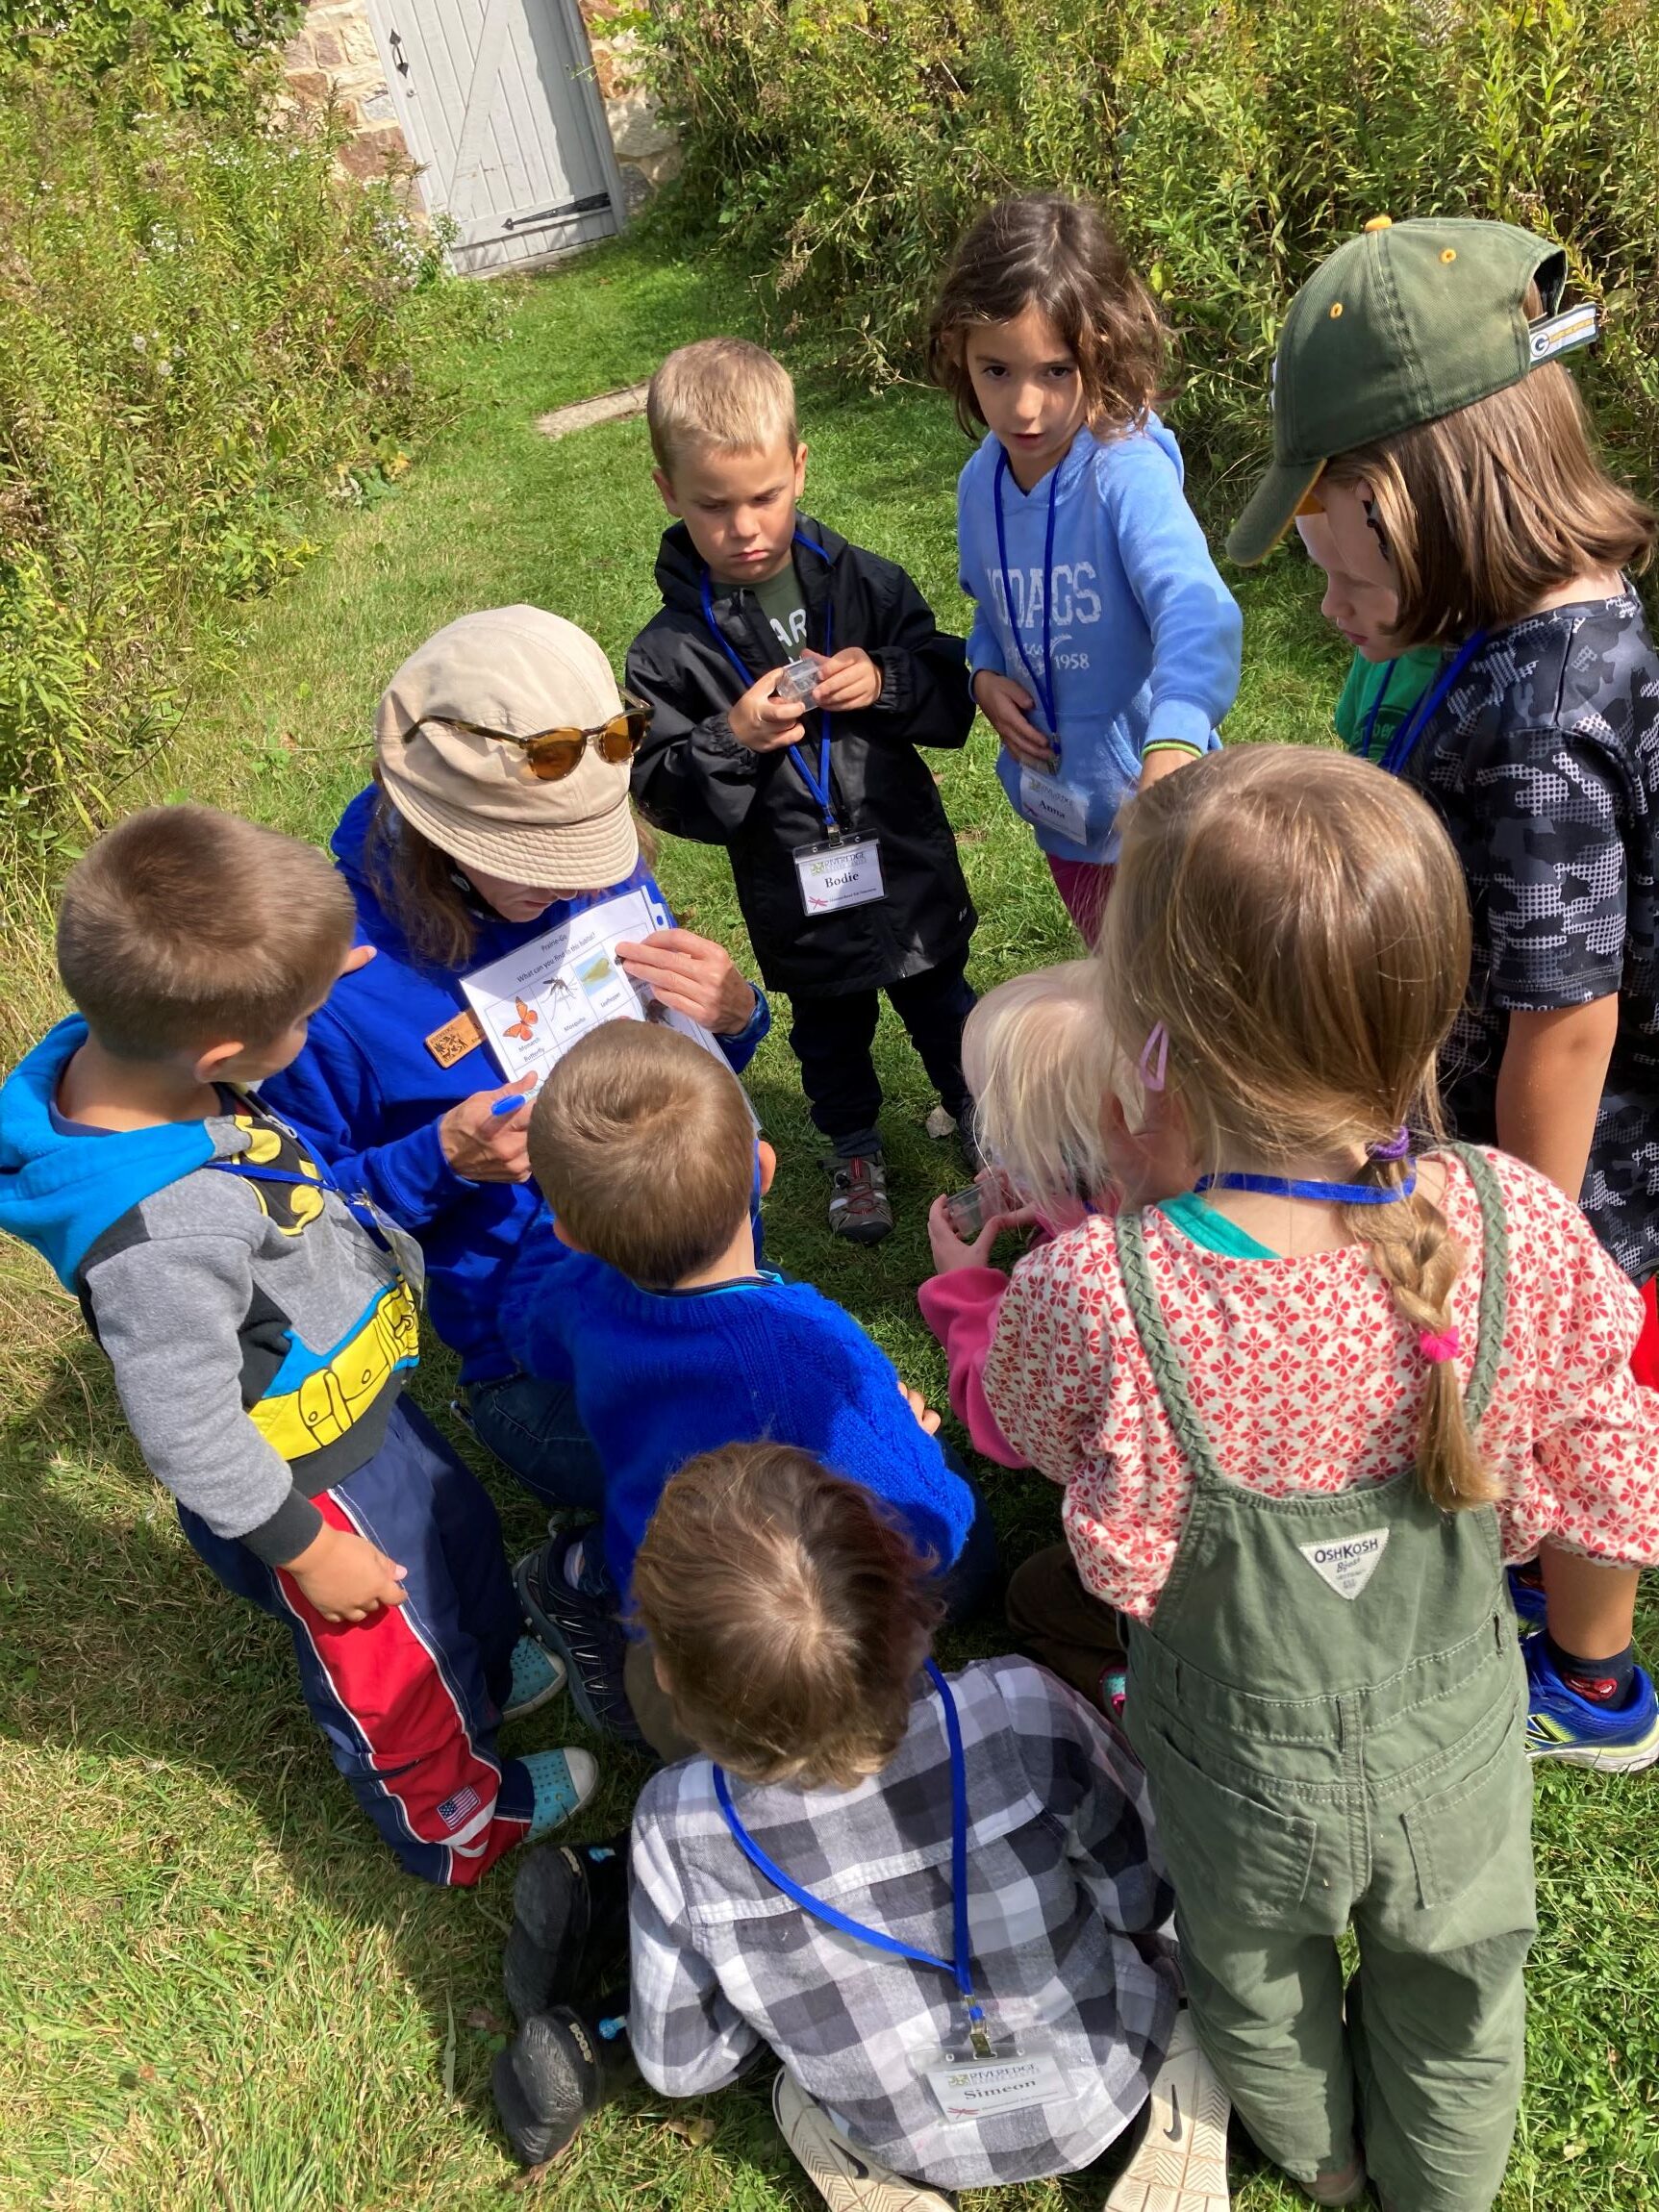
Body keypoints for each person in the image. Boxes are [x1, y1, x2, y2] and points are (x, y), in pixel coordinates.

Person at [942, 745, 1659, 2211]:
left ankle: (1322, 2170)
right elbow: (1604, 1462)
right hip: (1458, 1738)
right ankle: (1438, 2192)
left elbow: (1014, 1428)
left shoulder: (1100, 1286)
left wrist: (978, 1291)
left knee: (1253, 1975)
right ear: (1432, 1005)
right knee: (1463, 1990)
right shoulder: (1517, 1219)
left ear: (1147, 1032)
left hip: (1225, 1760)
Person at [1228, 213, 1659, 1766]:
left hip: (1597, 1188)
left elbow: (1570, 1014)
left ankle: (1591, 1678)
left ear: (1401, 501)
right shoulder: (1540, 630)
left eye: (1332, 556)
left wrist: (1519, 1260)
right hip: (1555, 1159)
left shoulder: (1544, 713)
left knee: (1596, 1414)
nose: (1327, 595)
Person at [0, 807, 597, 1883]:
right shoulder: (162, 1231)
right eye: (315, 1011)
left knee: (454, 1530)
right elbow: (184, 1427)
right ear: (224, 1052)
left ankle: (489, 1665)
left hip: (358, 1395)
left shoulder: (156, 1065)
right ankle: (455, 1814)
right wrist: (305, 1546)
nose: (324, 1021)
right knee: (387, 1649)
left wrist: (304, 972)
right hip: (306, 1478)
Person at [494, 1443, 1230, 2212]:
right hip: (1110, 2071)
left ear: (669, 1679)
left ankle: (860, 2160)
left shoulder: (676, 1828)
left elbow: (685, 2067)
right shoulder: (1018, 1708)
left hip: (905, 2134)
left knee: (796, 2091)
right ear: (907, 1600)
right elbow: (1144, 1894)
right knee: (1179, 1926)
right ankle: (1185, 2065)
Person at [262, 606, 768, 1510]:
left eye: (592, 849)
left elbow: (687, 1065)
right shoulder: (333, 982)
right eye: (539, 863)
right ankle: (575, 1582)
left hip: (700, 1264)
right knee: (738, 1517)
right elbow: (295, 1220)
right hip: (536, 1355)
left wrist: (733, 1017)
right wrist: (437, 1162)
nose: (581, 882)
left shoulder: (589, 845)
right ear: (439, 841)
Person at [500, 1022, 998, 1750]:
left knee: (678, 1716)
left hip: (668, 1592)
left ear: (568, 1232)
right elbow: (934, 1529)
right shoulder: (810, 1343)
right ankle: (578, 1585)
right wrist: (907, 1435)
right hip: (787, 1604)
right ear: (761, 1170)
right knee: (973, 1556)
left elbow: (529, 1338)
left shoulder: (571, 1292)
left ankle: (585, 1580)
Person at [625, 338, 979, 1245]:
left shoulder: (866, 584)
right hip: (796, 889)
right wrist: (731, 737)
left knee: (944, 1003)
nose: (744, 526)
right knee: (828, 1030)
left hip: (901, 861)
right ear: (668, 491)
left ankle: (984, 1118)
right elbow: (664, 792)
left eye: (764, 497)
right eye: (714, 506)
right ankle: (852, 1145)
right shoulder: (669, 652)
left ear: (798, 468)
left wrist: (889, 678)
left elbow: (950, 687)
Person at [928, 192, 1242, 946]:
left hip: (1163, 818)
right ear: (958, 353)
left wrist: (1170, 746)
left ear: (1101, 350)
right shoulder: (981, 484)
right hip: (1067, 819)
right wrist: (983, 672)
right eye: (995, 370)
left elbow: (1196, 611)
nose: (1023, 406)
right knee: (1126, 1016)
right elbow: (994, 608)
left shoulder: (1123, 473)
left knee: (1203, 1016)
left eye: (1056, 371)